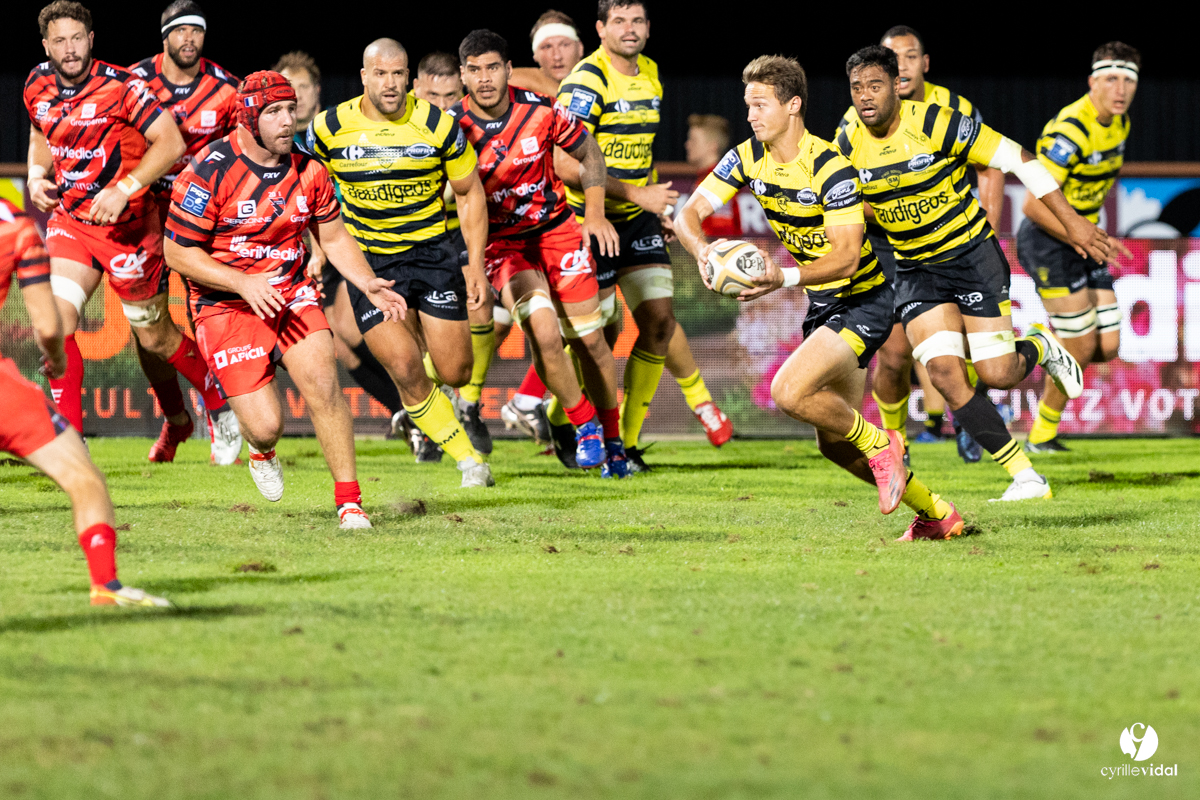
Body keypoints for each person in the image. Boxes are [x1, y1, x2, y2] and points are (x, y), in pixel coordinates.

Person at [676, 56, 962, 540]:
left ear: (793, 105)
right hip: (825, 306)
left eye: (760, 105)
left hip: (865, 301)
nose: (750, 115)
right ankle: (936, 513)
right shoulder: (747, 157)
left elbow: (847, 258)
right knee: (834, 444)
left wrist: (782, 278)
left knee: (788, 392)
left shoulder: (830, 167)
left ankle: (883, 441)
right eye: (748, 105)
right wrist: (705, 253)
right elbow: (688, 215)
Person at [837, 45, 1108, 501]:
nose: (865, 96)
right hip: (916, 269)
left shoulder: (936, 122)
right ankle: (1027, 477)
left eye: (875, 85)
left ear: (897, 87)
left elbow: (1020, 159)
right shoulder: (847, 145)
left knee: (998, 373)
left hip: (970, 257)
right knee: (944, 373)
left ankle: (1039, 345)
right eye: (857, 87)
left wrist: (1073, 222)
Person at [163, 71, 407, 527]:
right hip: (225, 305)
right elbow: (177, 252)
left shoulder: (308, 169)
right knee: (265, 426)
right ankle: (261, 450)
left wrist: (367, 281)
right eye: (274, 111)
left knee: (323, 383)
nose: (287, 121)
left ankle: (350, 502)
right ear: (248, 118)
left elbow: (333, 237)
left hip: (291, 293)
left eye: (291, 110)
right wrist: (241, 283)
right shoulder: (209, 171)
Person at [25, 1, 231, 466]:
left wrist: (125, 188)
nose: (69, 49)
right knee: (55, 327)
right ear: (46, 46)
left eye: (76, 39)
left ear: (91, 40)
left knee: (155, 338)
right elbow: (39, 130)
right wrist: (37, 174)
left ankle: (215, 398)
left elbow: (172, 142)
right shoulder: (36, 83)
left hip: (130, 227)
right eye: (59, 41)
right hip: (73, 221)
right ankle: (71, 447)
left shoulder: (122, 85)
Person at [307, 39, 494, 488]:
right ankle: (470, 461)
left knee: (455, 371)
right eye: (380, 74)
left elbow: (469, 192)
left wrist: (475, 264)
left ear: (409, 79)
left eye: (397, 74)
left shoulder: (439, 126)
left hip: (432, 256)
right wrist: (315, 249)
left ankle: (428, 407)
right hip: (370, 265)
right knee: (405, 366)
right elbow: (305, 190)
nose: (390, 84)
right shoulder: (328, 127)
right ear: (364, 77)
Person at [556, 0, 728, 470]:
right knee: (598, 336)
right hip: (587, 220)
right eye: (619, 21)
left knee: (659, 323)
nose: (629, 29)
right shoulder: (586, 82)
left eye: (637, 21)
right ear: (600, 29)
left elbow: (640, 151)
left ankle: (625, 446)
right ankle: (560, 412)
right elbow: (565, 162)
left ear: (649, 28)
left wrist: (659, 207)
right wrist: (638, 195)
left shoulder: (650, 73)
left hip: (637, 221)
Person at [453, 29, 629, 476]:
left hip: (558, 233)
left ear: (509, 70)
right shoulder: (451, 127)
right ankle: (584, 425)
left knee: (592, 341)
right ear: (462, 75)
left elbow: (591, 153)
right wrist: (468, 261)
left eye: (493, 68)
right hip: (503, 246)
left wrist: (594, 214)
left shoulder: (542, 110)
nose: (484, 78)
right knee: (545, 333)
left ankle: (615, 445)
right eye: (474, 70)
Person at [836, 26, 1006, 463]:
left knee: (970, 344)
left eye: (910, 56)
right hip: (888, 245)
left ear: (923, 64)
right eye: (892, 57)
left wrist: (987, 230)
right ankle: (897, 443)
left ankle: (968, 418)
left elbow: (990, 165)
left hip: (955, 242)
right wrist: (896, 211)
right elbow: (843, 190)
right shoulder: (854, 121)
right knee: (894, 354)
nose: (902, 65)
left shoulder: (954, 109)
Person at [1, 198, 169, 606]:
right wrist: (57, 359)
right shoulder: (15, 223)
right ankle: (106, 585)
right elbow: (47, 327)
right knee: (84, 479)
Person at [129, 0, 243, 465]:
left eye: (196, 30)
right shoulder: (133, 81)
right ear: (165, 37)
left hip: (205, 219)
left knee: (208, 321)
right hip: (144, 212)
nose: (189, 38)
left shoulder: (227, 89)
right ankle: (177, 419)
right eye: (180, 31)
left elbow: (244, 152)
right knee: (147, 330)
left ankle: (223, 418)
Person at [276, 51, 408, 445]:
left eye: (303, 87)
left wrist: (322, 247)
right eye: (289, 89)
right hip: (312, 251)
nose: (297, 95)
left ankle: (422, 403)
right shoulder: (278, 143)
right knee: (339, 344)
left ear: (317, 91)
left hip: (351, 242)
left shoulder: (336, 130)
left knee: (353, 330)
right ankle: (409, 416)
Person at [1019, 43, 1139, 454]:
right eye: (1111, 78)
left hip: (1083, 238)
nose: (1120, 89)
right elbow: (1032, 205)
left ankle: (1048, 341)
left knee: (1107, 346)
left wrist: (1091, 233)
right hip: (1049, 241)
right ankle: (1041, 436)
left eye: (1128, 80)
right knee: (1081, 346)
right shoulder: (1071, 130)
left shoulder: (1119, 124)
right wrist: (1081, 234)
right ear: (1092, 82)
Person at [411, 51, 496, 458]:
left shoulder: (464, 131)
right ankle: (423, 417)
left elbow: (463, 195)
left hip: (453, 237)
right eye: (433, 96)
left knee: (482, 308)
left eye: (450, 96)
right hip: (403, 243)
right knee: (410, 341)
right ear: (415, 89)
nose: (443, 106)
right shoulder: (394, 127)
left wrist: (476, 264)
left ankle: (469, 404)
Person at [685, 114, 742, 239]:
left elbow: (721, 233)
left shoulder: (720, 182)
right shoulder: (706, 179)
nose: (687, 144)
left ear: (712, 146)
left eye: (693, 140)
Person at [511, 9, 585, 96]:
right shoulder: (517, 81)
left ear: (580, 48)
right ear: (535, 54)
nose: (557, 56)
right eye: (547, 47)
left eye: (565, 45)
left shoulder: (597, 78)